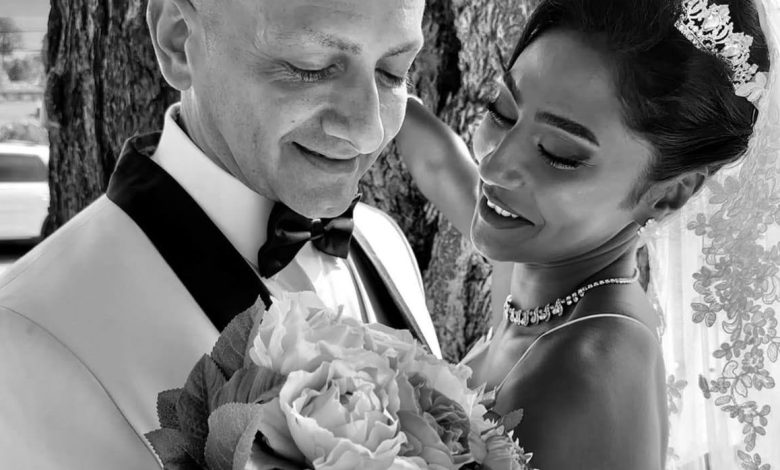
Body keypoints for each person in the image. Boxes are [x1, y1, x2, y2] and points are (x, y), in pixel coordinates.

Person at [0, 0, 437, 468]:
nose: (369, 131)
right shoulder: (24, 339)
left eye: (394, 72)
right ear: (178, 42)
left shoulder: (384, 244)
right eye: (310, 66)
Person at [396, 0, 772, 468]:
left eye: (557, 153)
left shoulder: (584, 370)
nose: (494, 165)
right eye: (502, 111)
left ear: (668, 194)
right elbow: (441, 166)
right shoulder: (541, 269)